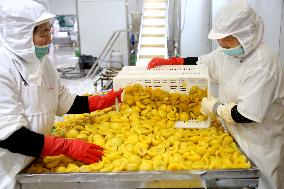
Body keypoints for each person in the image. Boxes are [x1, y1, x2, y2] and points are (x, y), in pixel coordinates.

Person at [148, 1, 284, 189]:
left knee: (260, 183)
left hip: (259, 143)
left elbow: (245, 114)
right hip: (232, 137)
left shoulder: (262, 64)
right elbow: (203, 63)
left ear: (246, 34)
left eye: (227, 38)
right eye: (219, 38)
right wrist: (175, 61)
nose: (221, 43)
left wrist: (213, 107)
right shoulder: (228, 51)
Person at [0, 0, 122, 188]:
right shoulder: (3, 68)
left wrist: (103, 101)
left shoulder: (43, 63)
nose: (49, 39)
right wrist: (66, 146)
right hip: (9, 167)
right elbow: (10, 136)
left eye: (49, 31)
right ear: (20, 36)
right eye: (43, 33)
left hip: (36, 159)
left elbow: (64, 101)